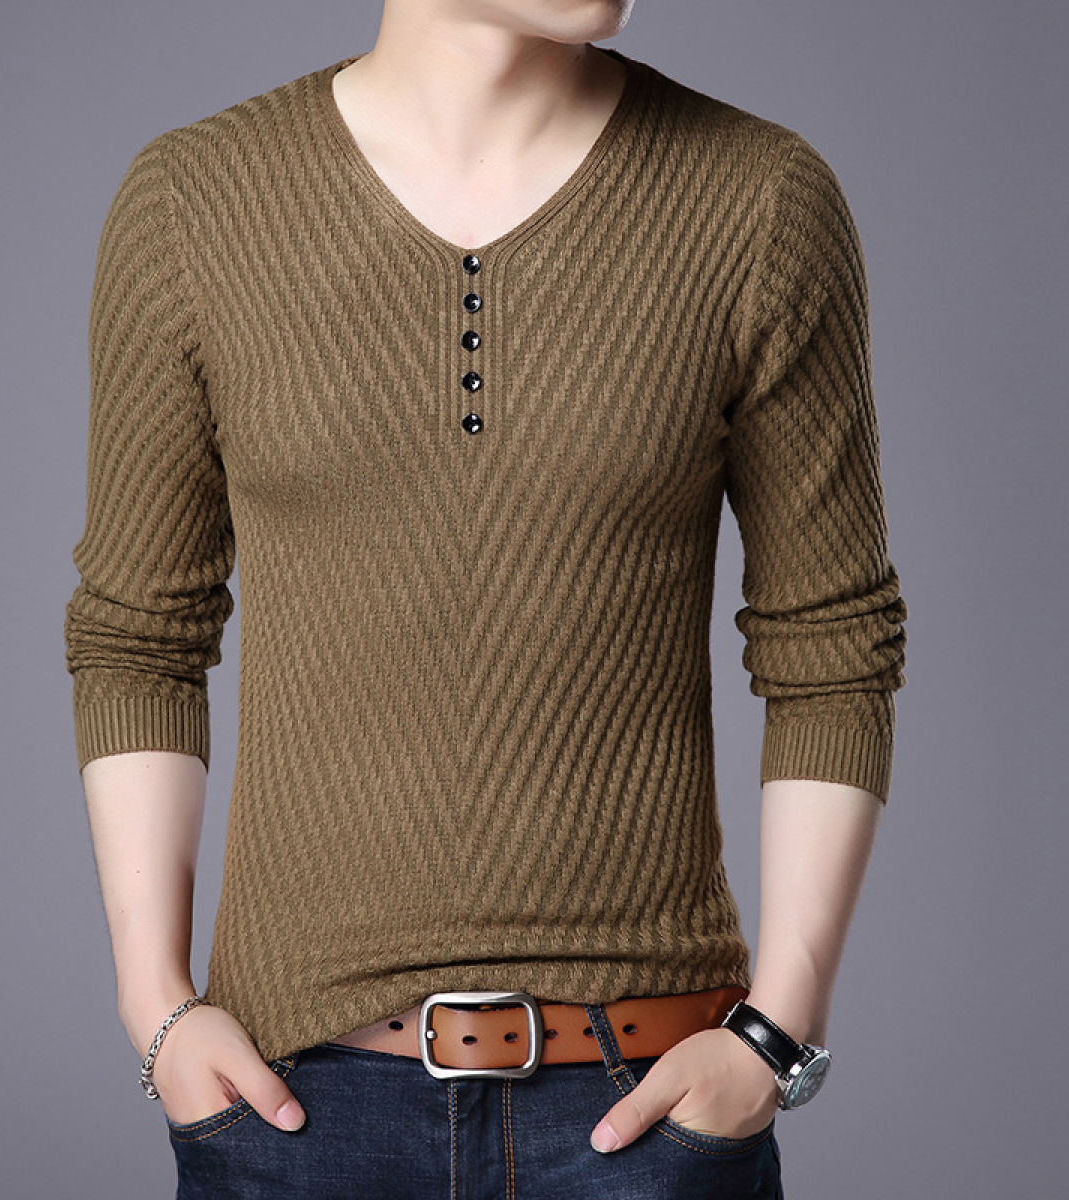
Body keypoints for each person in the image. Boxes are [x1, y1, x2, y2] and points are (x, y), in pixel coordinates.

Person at [64, 1, 907, 1196]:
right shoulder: (193, 204)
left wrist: (777, 1033)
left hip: (647, 1110)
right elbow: (139, 638)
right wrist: (155, 1006)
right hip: (297, 1112)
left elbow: (833, 642)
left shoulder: (758, 201)